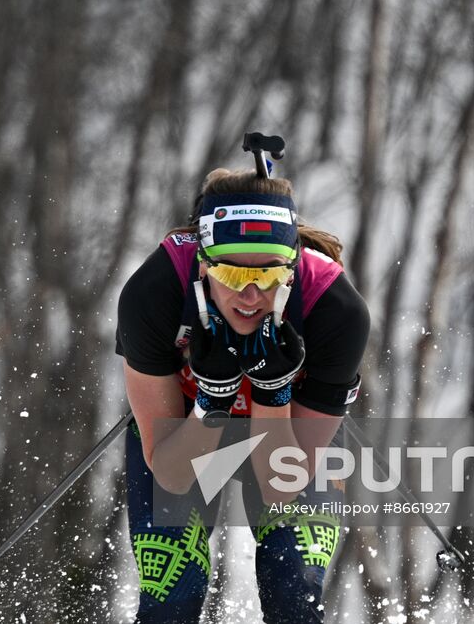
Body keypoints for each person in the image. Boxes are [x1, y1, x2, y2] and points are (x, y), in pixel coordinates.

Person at [115, 159, 370, 624]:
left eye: (270, 275)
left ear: (293, 267)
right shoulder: (155, 292)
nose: (251, 295)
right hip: (187, 432)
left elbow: (281, 485)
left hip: (287, 439)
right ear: (203, 264)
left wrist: (273, 392)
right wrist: (212, 398)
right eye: (232, 274)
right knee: (170, 597)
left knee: (294, 588)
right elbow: (174, 475)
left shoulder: (334, 309)